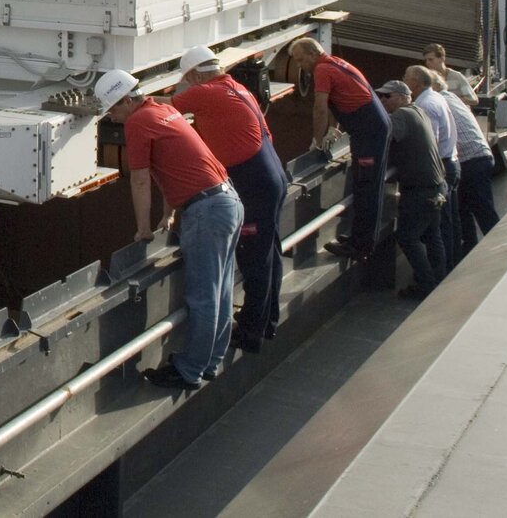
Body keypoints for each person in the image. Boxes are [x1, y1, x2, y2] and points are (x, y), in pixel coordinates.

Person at [96, 68, 241, 390]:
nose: (113, 118)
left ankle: (189, 370)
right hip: (225, 199)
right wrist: (169, 214)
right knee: (221, 291)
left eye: (113, 109)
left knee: (204, 297)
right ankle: (210, 362)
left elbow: (141, 178)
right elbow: (177, 166)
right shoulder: (164, 110)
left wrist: (143, 229)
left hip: (207, 211)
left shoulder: (137, 122)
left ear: (124, 101)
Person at [166, 45, 287, 353]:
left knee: (254, 260)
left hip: (252, 181)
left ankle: (250, 333)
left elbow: (161, 109)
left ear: (193, 74)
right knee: (269, 252)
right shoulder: (238, 88)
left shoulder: (203, 92)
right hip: (271, 171)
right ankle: (267, 321)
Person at [290, 38, 389, 260]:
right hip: (371, 128)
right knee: (365, 184)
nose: (299, 66)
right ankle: (359, 237)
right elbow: (340, 99)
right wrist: (334, 129)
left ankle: (361, 246)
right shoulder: (336, 63)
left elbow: (320, 107)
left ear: (312, 54)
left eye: (300, 60)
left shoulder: (322, 70)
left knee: (367, 186)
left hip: (368, 132)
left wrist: (316, 140)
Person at [379, 79, 447, 299]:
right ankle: (439, 279)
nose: (382, 100)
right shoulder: (420, 111)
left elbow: (384, 137)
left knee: (408, 237)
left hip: (419, 189)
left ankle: (426, 285)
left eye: (386, 96)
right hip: (437, 184)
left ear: (401, 97)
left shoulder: (401, 116)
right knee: (432, 236)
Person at [435, 70, 499, 255]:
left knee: (481, 209)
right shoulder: (451, 96)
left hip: (472, 160)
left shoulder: (437, 102)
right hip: (478, 156)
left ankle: (495, 251)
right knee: (465, 209)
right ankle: (469, 249)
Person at [405, 65, 461, 270]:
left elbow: (431, 142)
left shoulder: (426, 105)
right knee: (446, 223)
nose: (404, 81)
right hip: (450, 163)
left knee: (437, 229)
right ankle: (448, 267)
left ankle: (440, 274)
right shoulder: (436, 97)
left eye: (406, 78)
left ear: (415, 83)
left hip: (442, 169)